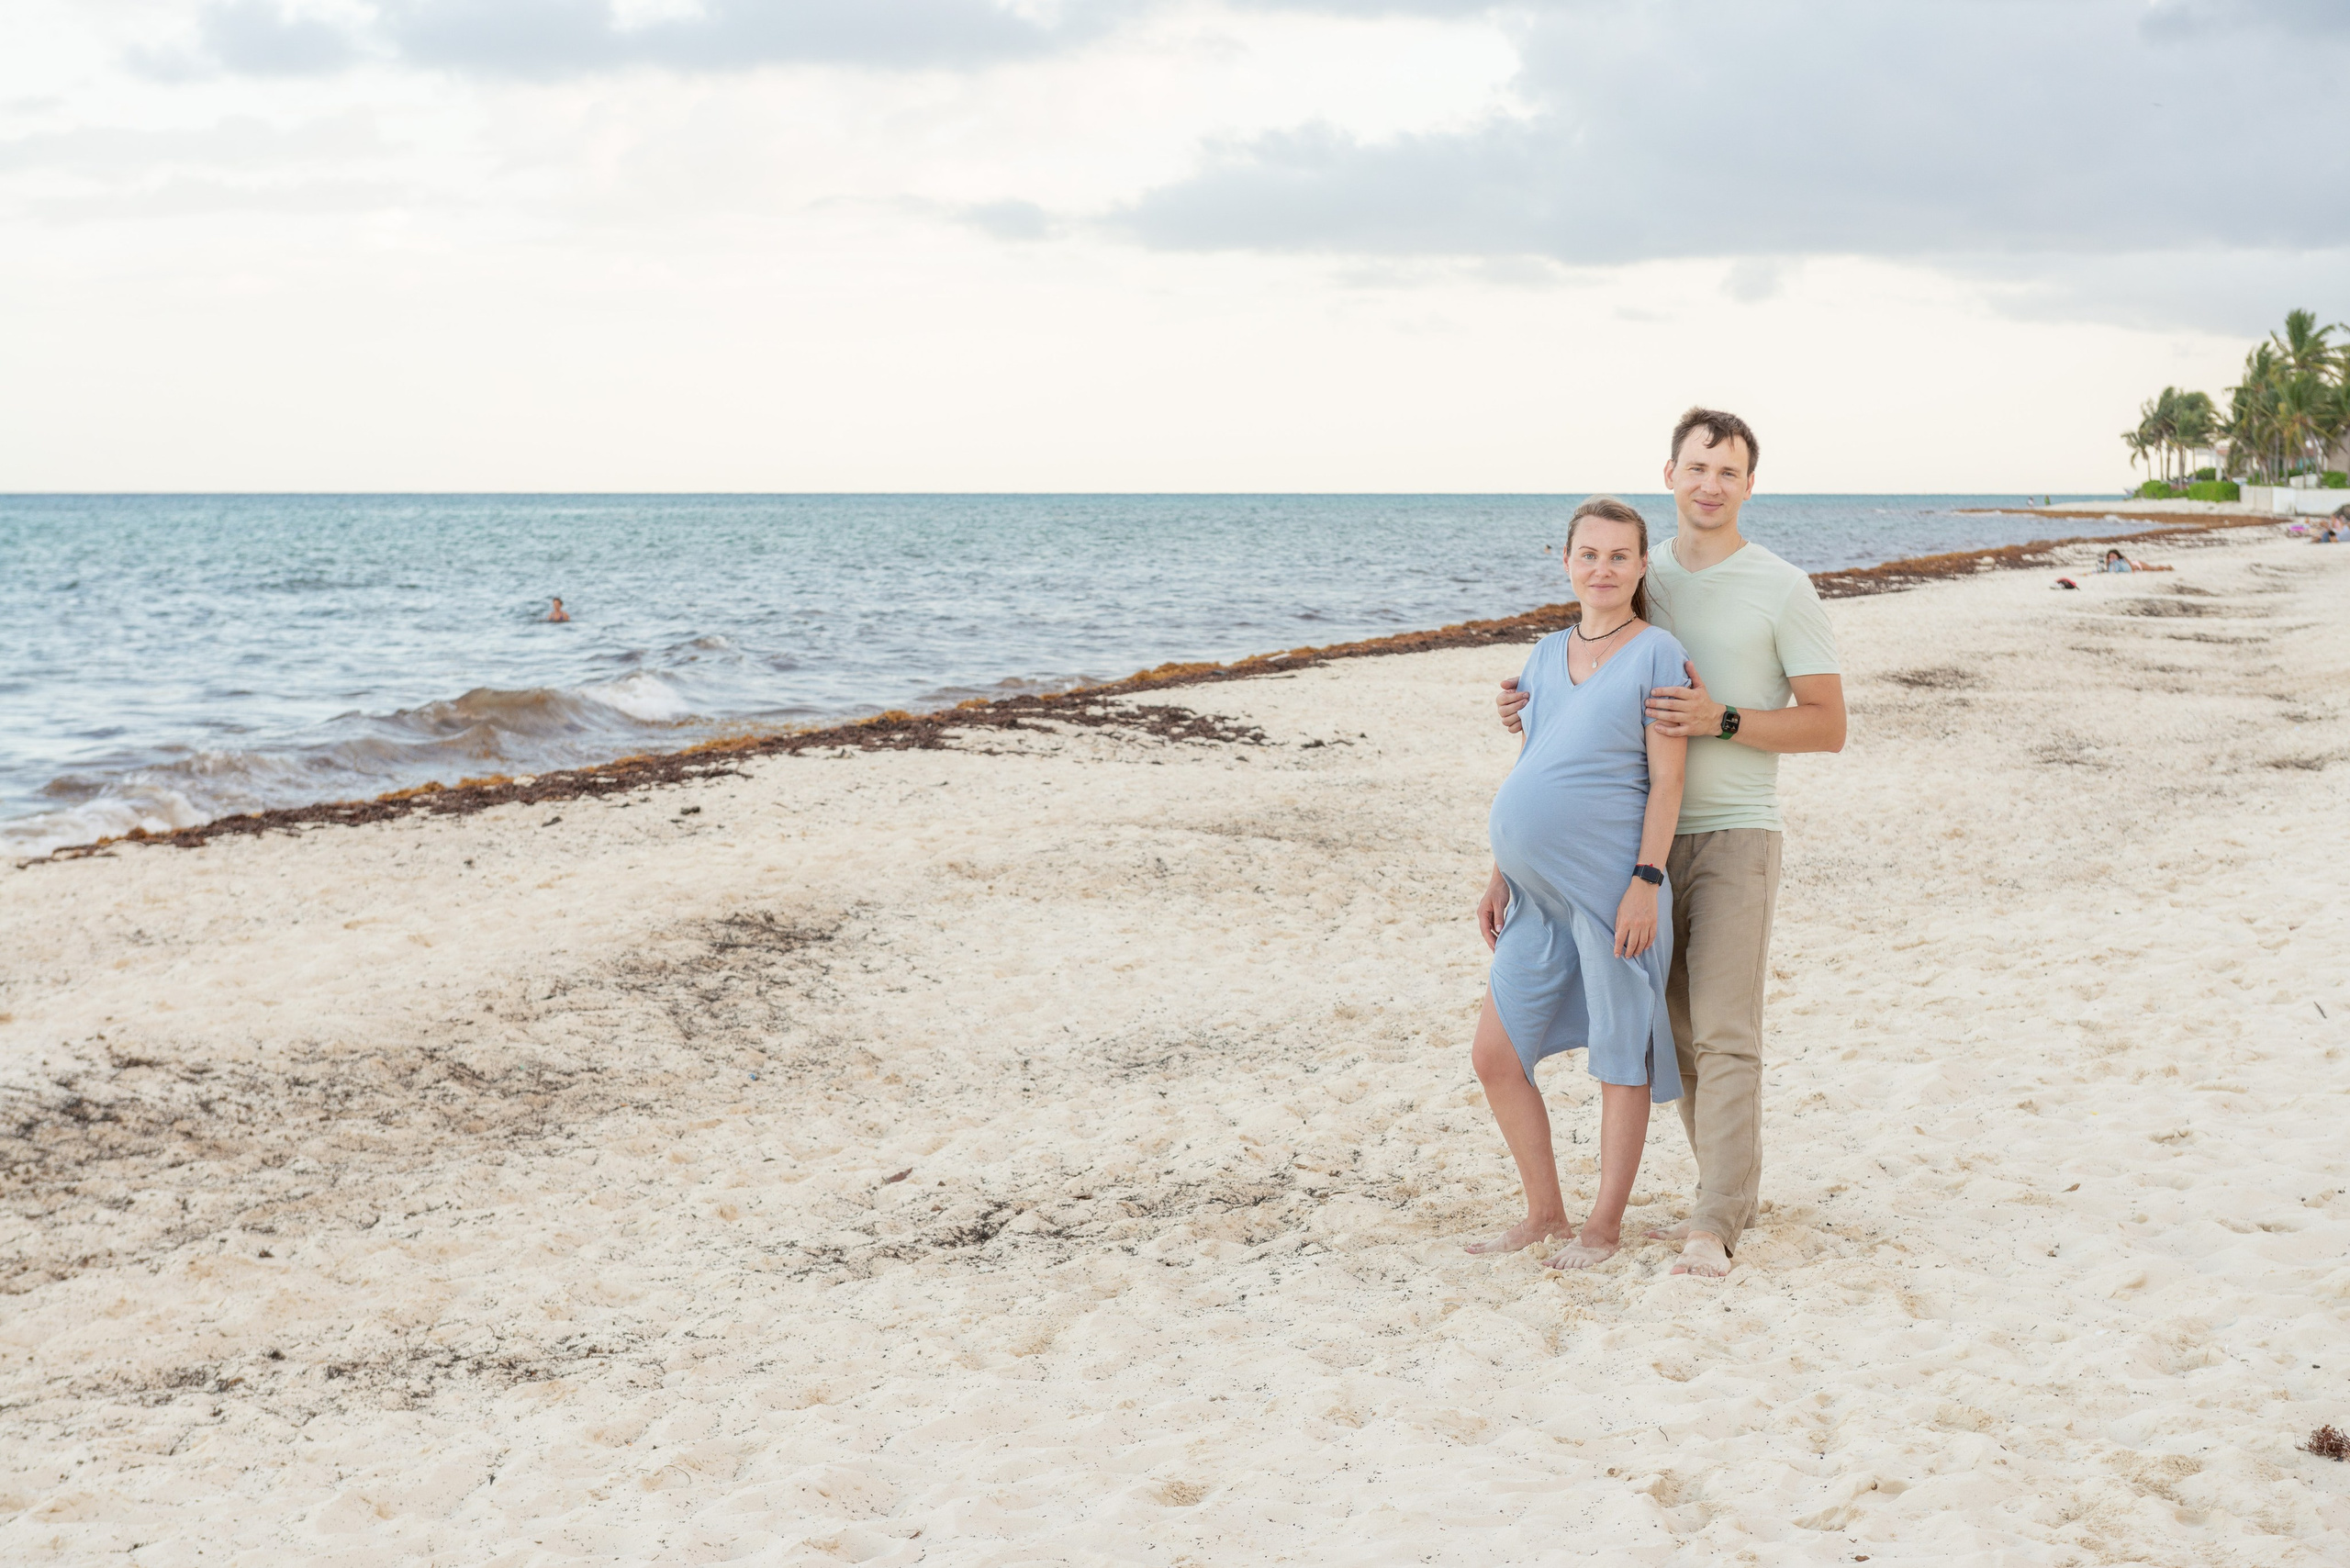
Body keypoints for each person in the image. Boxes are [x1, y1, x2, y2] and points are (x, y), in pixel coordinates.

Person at [1496, 409, 1846, 1278]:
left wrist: (1722, 718)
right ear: (1671, 474)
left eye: (1728, 472)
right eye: (1697, 467)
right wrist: (1532, 706)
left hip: (1730, 832)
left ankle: (1715, 1220)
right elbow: (1596, 668)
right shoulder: (1646, 579)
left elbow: (1828, 725)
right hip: (1622, 847)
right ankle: (1712, 1195)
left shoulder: (1782, 587)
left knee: (1723, 1030)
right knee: (1676, 1034)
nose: (1710, 485)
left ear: (1750, 485)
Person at [1466, 497, 1689, 1271]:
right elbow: (1532, 762)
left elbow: (1668, 782)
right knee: (1495, 1055)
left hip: (1609, 890)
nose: (1603, 569)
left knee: (1622, 1056)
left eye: (1619, 556)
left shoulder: (1658, 653)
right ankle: (1544, 1215)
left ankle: (1602, 1227)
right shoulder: (1541, 655)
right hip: (1533, 898)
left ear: (1641, 565)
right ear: (1566, 563)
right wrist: (1500, 874)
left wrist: (1646, 882)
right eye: (1589, 555)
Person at [2102, 549, 2173, 573]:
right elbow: (2111, 570)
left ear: (2117, 555)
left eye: (2113, 555)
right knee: (2153, 568)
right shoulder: (2114, 563)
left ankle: (2167, 567)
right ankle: (2165, 567)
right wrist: (2107, 563)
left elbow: (2131, 566)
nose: (2112, 557)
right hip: (2133, 565)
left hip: (2137, 564)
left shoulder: (2123, 559)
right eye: (2110, 556)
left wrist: (2133, 570)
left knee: (2153, 569)